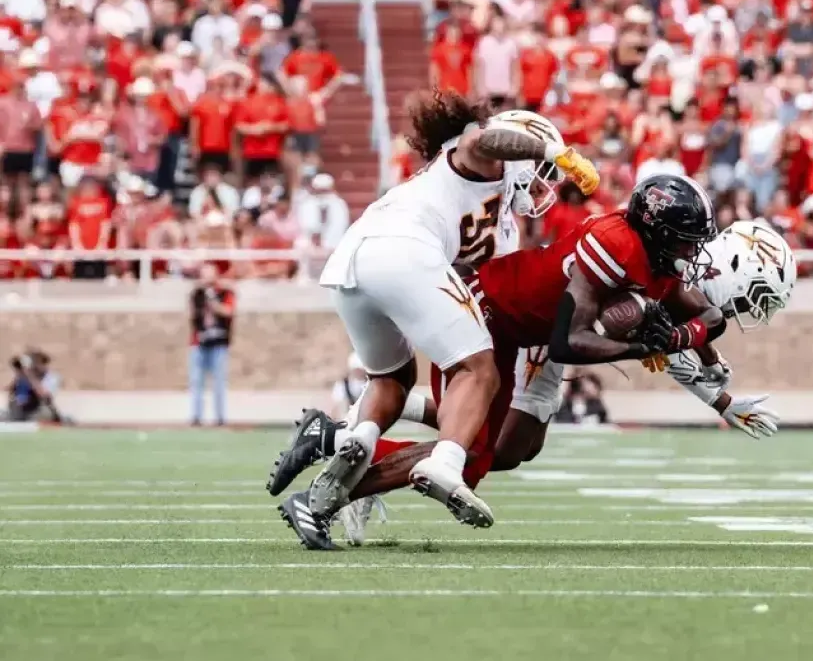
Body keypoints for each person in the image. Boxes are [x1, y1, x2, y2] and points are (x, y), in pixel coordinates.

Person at [281, 174, 730, 549]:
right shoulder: (616, 247)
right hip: (486, 314)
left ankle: (335, 443)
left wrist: (689, 342)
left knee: (504, 450)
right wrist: (644, 347)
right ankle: (320, 499)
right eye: (686, 241)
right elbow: (566, 344)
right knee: (476, 454)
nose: (692, 252)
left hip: (512, 330)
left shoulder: (650, 254)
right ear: (657, 230)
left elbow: (709, 315)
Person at [266, 95, 600, 539]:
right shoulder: (485, 160)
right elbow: (484, 137)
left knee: (392, 377)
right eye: (541, 175)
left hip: (355, 258)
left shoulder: (503, 223)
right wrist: (550, 151)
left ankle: (351, 437)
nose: (543, 187)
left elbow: (491, 292)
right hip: (404, 246)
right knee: (477, 370)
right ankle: (445, 463)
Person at [188, 264, 235, 426]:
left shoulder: (225, 292)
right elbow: (192, 313)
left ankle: (220, 417)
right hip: (199, 343)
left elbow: (229, 311)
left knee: (219, 382)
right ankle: (196, 416)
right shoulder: (197, 294)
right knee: (196, 381)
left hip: (219, 343)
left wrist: (213, 304)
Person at [5, 350, 62, 423]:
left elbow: (44, 395)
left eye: (37, 363)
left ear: (44, 363)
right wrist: (20, 374)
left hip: (41, 411)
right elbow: (10, 391)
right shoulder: (25, 377)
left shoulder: (52, 377)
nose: (35, 366)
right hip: (24, 409)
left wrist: (30, 376)